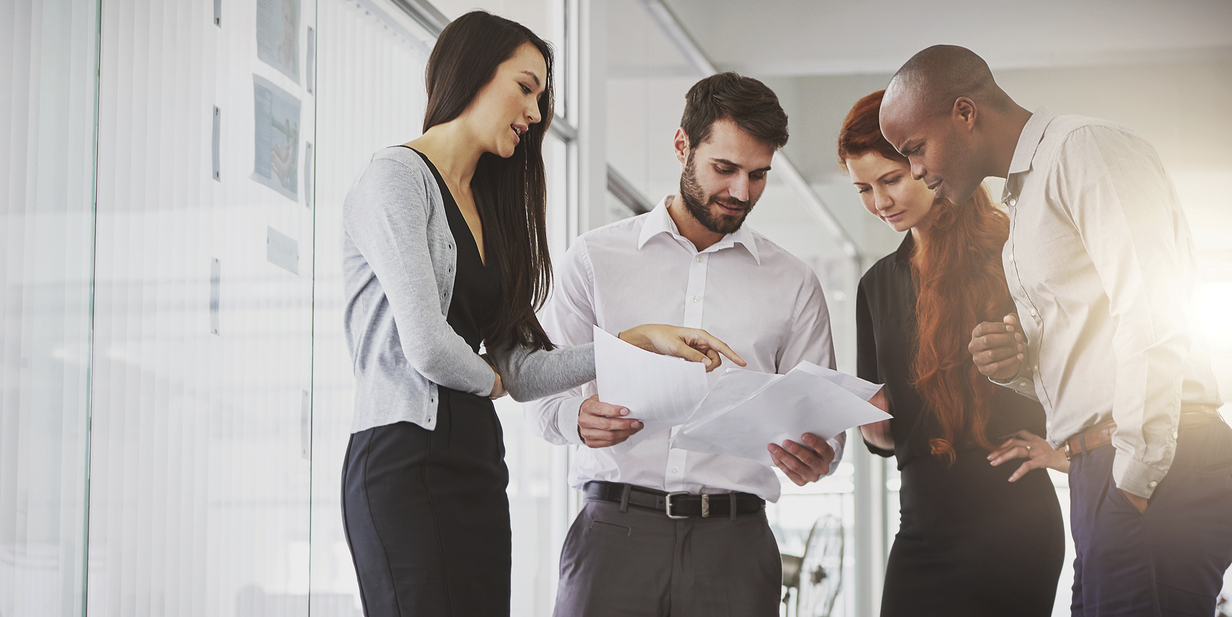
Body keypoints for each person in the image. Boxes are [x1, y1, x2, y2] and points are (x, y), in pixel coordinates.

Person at [339, 12, 743, 617]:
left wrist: (632, 343)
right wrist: (492, 381)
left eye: (541, 96)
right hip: (402, 454)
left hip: (474, 456)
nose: (534, 111)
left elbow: (522, 370)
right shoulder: (395, 178)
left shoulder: (490, 206)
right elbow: (425, 345)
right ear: (472, 71)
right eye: (525, 87)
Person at [880, 44, 1232, 617]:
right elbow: (1084, 355)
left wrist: (1136, 478)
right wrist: (1017, 365)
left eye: (915, 149)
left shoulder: (1083, 150)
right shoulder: (1027, 196)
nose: (915, 171)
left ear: (965, 112)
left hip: (1149, 459)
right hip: (1103, 468)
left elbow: (1153, 306)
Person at [528, 72, 843, 616]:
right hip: (613, 537)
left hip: (736, 548)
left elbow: (823, 426)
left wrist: (820, 456)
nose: (742, 192)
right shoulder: (595, 259)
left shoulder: (793, 282)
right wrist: (576, 419)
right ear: (683, 146)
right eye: (725, 169)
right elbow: (540, 393)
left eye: (759, 175)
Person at [840, 89, 1064, 616]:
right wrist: (873, 429)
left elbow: (1074, 371)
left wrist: (1063, 450)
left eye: (890, 179)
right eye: (863, 189)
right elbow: (889, 431)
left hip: (1011, 523)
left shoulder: (1012, 253)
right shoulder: (875, 286)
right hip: (920, 523)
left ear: (925, 163)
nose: (879, 202)